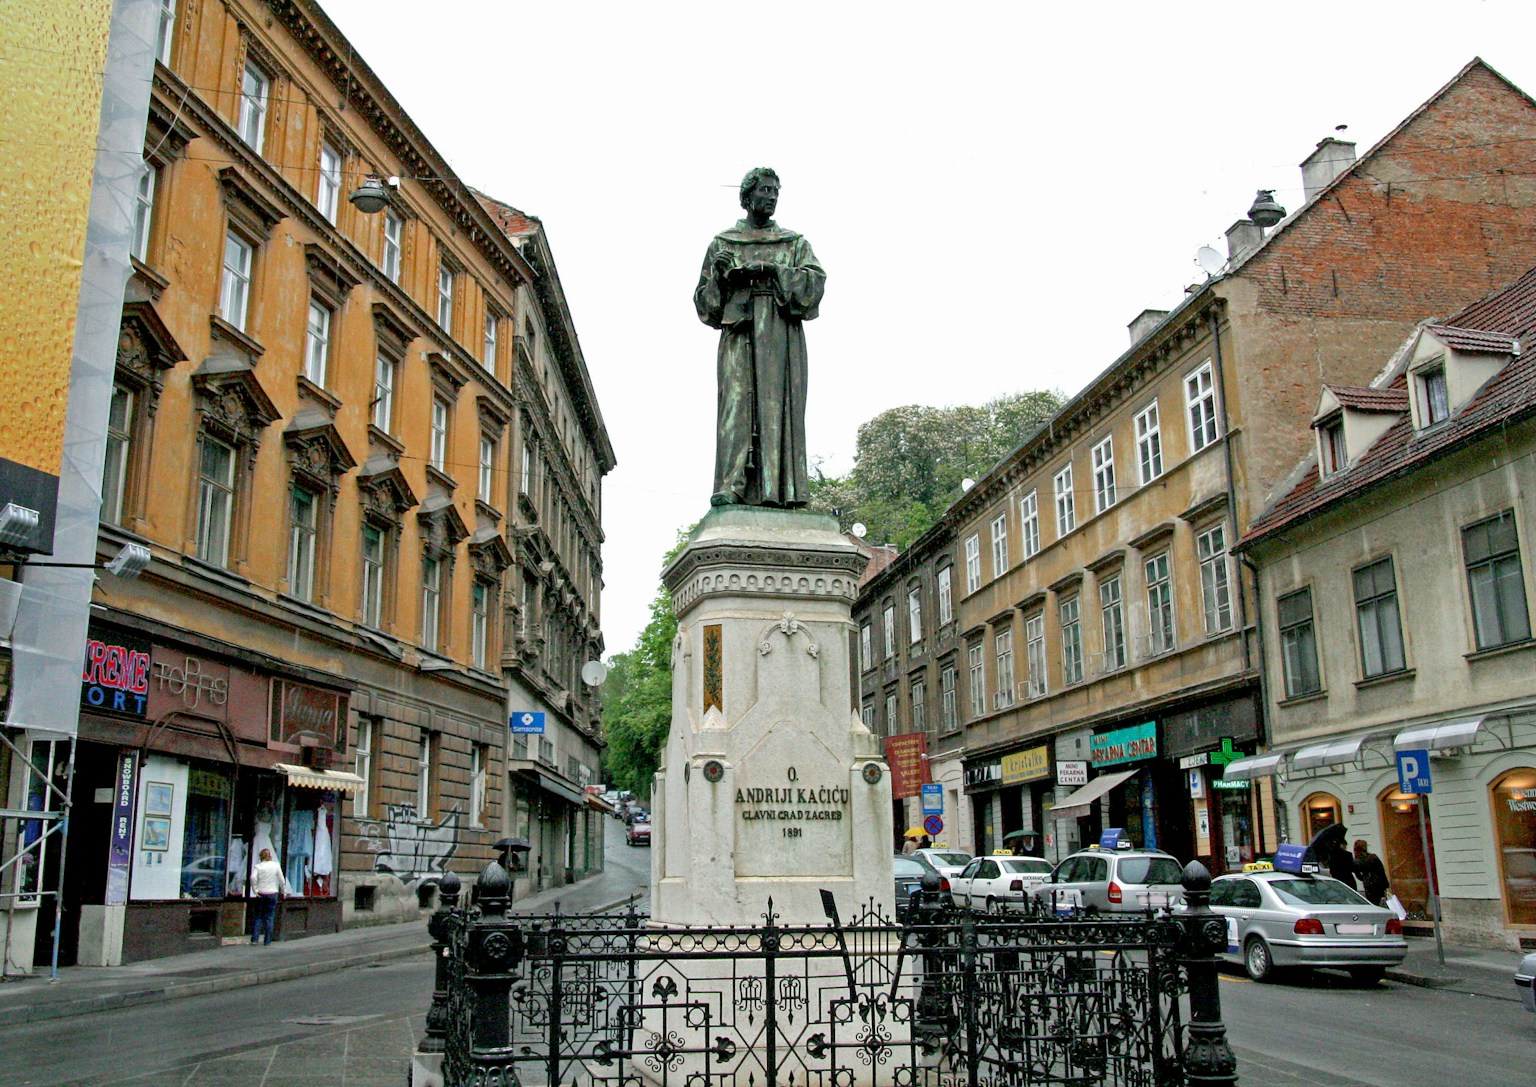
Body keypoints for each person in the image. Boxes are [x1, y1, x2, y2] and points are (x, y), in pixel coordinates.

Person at [694, 167, 827, 508]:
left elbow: (814, 285)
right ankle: (732, 485)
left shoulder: (794, 243)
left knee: (777, 406)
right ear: (747, 196)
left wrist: (771, 270)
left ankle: (779, 490)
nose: (770, 197)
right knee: (735, 408)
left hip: (780, 332)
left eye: (775, 192)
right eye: (764, 190)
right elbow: (705, 307)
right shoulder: (723, 244)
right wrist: (721, 278)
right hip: (739, 331)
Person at [250, 847, 289, 945]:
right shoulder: (275, 865)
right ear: (270, 856)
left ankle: (255, 939)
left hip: (261, 893)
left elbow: (253, 877)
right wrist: (284, 891)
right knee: (269, 917)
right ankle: (267, 940)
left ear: (261, 857)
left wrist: (255, 890)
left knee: (258, 916)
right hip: (272, 893)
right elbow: (281, 880)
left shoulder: (258, 867)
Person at [1353, 839, 1389, 906]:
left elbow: (1358, 875)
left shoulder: (1357, 861)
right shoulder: (1373, 857)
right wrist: (1385, 885)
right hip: (1379, 884)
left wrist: (1365, 878)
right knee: (1379, 903)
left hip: (1368, 885)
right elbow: (1381, 871)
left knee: (1372, 903)